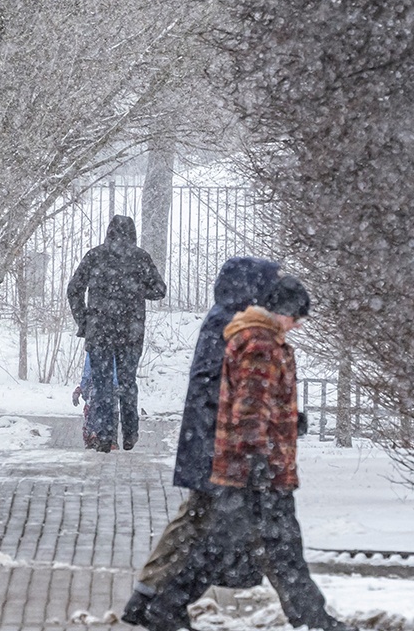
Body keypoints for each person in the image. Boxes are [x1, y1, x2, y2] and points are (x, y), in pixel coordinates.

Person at [136, 276, 352, 631]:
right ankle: (313, 620)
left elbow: (255, 402)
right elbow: (249, 411)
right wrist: (258, 461)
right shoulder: (260, 344)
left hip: (251, 468)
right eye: (295, 316)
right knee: (267, 548)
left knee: (237, 546)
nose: (297, 324)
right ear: (279, 311)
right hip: (256, 471)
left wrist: (287, 421)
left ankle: (166, 605)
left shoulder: (257, 339)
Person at [122, 257, 280, 629]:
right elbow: (220, 384)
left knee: (197, 519)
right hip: (219, 443)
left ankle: (150, 599)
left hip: (215, 440)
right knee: (214, 523)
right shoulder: (231, 323)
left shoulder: (231, 320)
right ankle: (162, 603)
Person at [67, 215, 166, 452]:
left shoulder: (95, 256)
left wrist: (84, 321)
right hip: (130, 332)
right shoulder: (140, 258)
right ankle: (130, 433)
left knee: (102, 385)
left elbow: (74, 290)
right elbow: (160, 290)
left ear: (108, 231)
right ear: (132, 233)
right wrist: (136, 290)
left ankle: (104, 435)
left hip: (100, 331)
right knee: (127, 382)